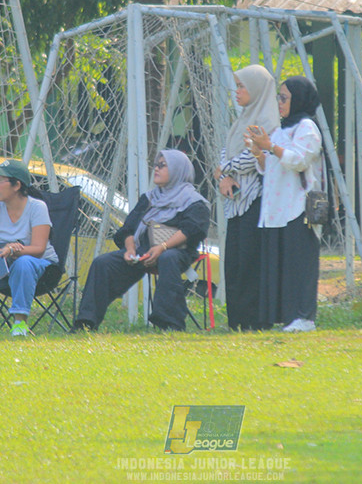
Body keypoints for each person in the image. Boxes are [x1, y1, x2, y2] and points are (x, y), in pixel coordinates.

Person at [73, 149, 210, 331]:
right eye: (156, 165)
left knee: (167, 258)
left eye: (163, 165)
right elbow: (128, 228)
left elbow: (191, 230)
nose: (157, 169)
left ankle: (170, 323)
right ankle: (86, 322)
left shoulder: (194, 201)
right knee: (102, 263)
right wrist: (130, 250)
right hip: (142, 251)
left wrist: (162, 247)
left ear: (178, 170)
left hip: (177, 252)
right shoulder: (150, 197)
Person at [246, 76, 325, 333]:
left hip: (299, 206)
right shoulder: (281, 130)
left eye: (284, 97)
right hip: (277, 207)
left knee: (300, 263)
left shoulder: (307, 128)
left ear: (298, 99)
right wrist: (259, 151)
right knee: (281, 263)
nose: (279, 103)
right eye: (278, 97)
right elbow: (268, 169)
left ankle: (304, 317)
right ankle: (286, 316)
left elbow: (298, 160)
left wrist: (271, 146)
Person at [213, 64, 279, 331]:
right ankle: (236, 322)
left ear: (256, 89)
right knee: (235, 263)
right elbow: (224, 152)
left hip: (256, 202)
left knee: (251, 262)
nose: (237, 92)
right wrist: (221, 178)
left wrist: (223, 170)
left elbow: (248, 161)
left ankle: (254, 322)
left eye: (242, 86)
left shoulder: (268, 124)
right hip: (235, 202)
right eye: (237, 86)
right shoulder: (241, 120)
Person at [0, 159, 58, 337]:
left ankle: (20, 323)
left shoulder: (37, 207)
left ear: (17, 185)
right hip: (3, 266)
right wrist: (0, 252)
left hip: (40, 267)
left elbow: (38, 248)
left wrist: (15, 250)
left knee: (24, 262)